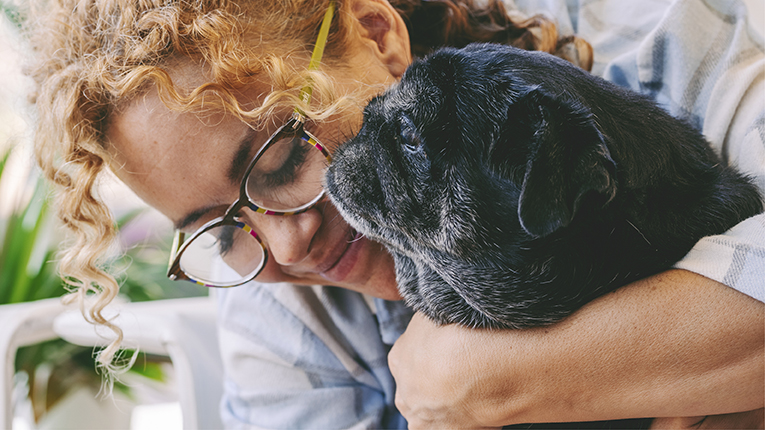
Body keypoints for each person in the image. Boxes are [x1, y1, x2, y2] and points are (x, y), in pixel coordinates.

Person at [26, 0, 763, 429]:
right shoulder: (281, 320)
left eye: (283, 158)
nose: (289, 239)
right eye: (221, 229)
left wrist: (481, 378)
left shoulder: (647, 54)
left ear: (378, 36)